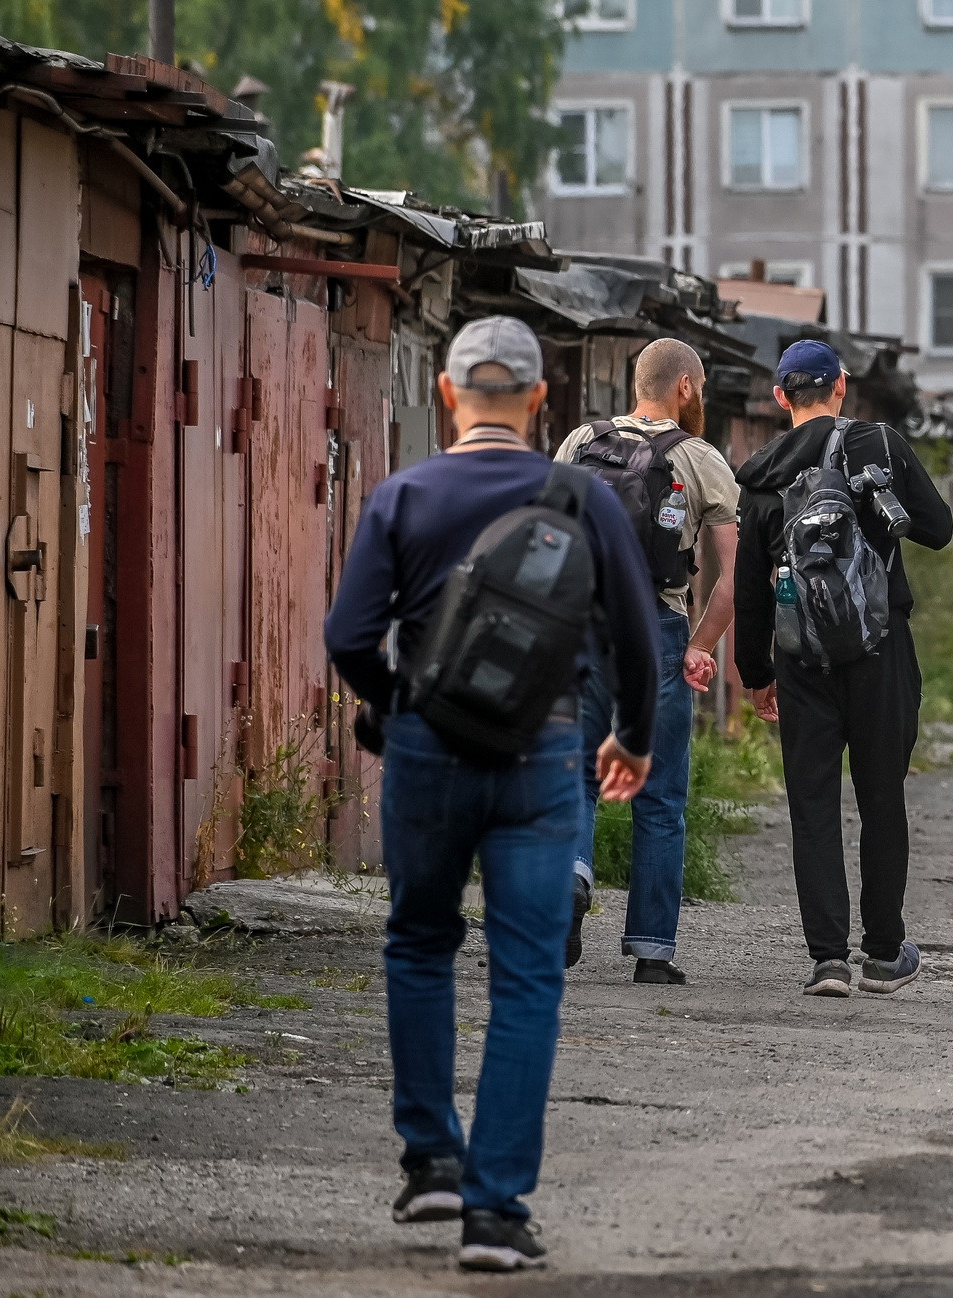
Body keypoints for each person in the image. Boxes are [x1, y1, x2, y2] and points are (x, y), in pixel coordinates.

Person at [324, 316, 661, 1271]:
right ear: (540, 399)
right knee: (525, 976)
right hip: (543, 757)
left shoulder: (403, 494)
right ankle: (495, 1214)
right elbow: (635, 637)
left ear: (446, 393)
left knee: (421, 942)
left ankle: (430, 1158)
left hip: (427, 754)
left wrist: (398, 710)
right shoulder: (578, 496)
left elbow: (350, 635)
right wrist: (630, 741)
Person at [731, 340, 952, 998]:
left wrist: (756, 671)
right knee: (883, 800)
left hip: (802, 657)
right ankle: (884, 954)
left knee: (813, 806)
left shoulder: (763, 471)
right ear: (841, 387)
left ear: (779, 397)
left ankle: (828, 960)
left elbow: (749, 587)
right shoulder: (879, 444)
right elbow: (937, 529)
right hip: (881, 649)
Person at [553, 338, 742, 985]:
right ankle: (652, 953)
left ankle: (572, 878)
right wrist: (700, 646)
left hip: (582, 622)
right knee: (658, 794)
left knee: (575, 773)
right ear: (685, 387)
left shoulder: (580, 442)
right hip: (657, 627)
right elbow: (732, 578)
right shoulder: (699, 458)